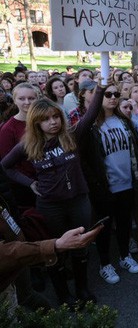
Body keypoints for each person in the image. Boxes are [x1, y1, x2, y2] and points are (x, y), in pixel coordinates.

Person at [2, 82, 105, 306]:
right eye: (46, 119)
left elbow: (91, 114)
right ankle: (63, 295)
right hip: (50, 206)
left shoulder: (71, 136)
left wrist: (101, 88)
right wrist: (29, 183)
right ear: (36, 122)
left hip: (79, 201)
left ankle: (82, 289)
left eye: (56, 117)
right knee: (56, 249)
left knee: (81, 247)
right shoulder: (28, 145)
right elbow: (6, 166)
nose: (53, 122)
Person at [83, 84, 138, 285]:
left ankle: (125, 255)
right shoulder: (91, 125)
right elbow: (86, 159)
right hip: (104, 186)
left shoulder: (123, 121)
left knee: (124, 222)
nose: (112, 98)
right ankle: (104, 264)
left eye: (116, 94)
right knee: (104, 226)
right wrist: (96, 185)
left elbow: (133, 150)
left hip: (126, 182)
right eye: (107, 94)